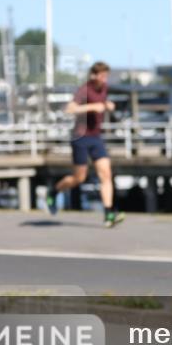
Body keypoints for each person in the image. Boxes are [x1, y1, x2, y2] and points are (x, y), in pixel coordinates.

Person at [46, 61, 125, 228]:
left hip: (96, 137)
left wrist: (107, 105)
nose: (104, 79)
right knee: (79, 177)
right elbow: (69, 109)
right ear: (94, 75)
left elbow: (103, 103)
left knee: (105, 173)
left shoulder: (104, 88)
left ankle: (108, 213)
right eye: (102, 76)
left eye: (106, 76)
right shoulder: (84, 90)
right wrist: (91, 107)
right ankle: (54, 191)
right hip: (80, 138)